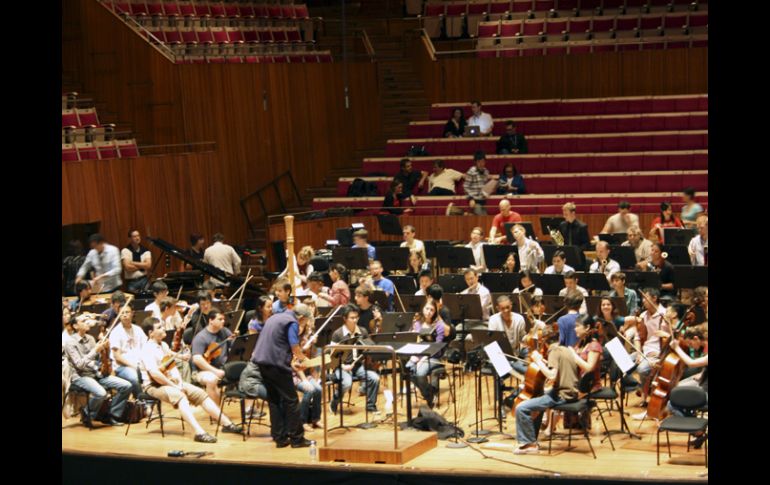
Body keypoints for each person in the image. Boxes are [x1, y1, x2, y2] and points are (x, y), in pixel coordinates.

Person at [141, 319, 242, 443]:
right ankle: (198, 432)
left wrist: (179, 382)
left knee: (201, 394)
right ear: (151, 333)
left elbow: (171, 365)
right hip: (153, 385)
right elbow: (155, 375)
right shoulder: (147, 349)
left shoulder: (163, 345)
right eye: (159, 327)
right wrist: (176, 386)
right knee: (180, 396)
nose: (163, 329)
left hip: (170, 382)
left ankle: (227, 424)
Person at [251, 303, 313, 448]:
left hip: (262, 363)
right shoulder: (292, 322)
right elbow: (294, 345)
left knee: (274, 400)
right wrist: (304, 360)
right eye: (305, 321)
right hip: (275, 365)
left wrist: (292, 363)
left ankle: (280, 438)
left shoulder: (275, 317)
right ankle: (297, 439)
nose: (304, 324)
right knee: (291, 400)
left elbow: (276, 343)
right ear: (302, 318)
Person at [513, 331, 579, 455]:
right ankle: (531, 439)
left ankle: (530, 445)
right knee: (537, 404)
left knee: (521, 408)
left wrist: (537, 361)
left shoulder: (553, 351)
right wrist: (543, 362)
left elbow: (552, 375)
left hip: (561, 395)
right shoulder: (566, 349)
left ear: (544, 341)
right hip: (571, 392)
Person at [64, 317, 133, 427]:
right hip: (80, 376)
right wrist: (95, 350)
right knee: (101, 393)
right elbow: (79, 365)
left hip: (95, 373)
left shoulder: (91, 338)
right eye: (83, 321)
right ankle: (87, 414)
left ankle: (112, 415)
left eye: (88, 320)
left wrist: (105, 349)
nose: (87, 322)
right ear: (75, 326)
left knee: (126, 385)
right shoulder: (70, 342)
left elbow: (96, 360)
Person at [328, 305, 380, 414]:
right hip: (341, 366)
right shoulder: (337, 334)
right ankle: (335, 401)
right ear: (344, 318)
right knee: (347, 383)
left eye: (356, 317)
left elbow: (369, 347)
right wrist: (343, 366)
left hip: (357, 366)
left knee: (374, 378)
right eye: (352, 318)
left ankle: (371, 406)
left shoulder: (362, 331)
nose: (355, 320)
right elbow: (332, 358)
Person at [627, 288, 670, 413]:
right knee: (623, 363)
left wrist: (660, 354)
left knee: (642, 369)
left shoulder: (665, 314)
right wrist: (639, 352)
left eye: (645, 298)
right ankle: (639, 387)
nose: (643, 301)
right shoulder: (643, 315)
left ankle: (647, 397)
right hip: (644, 350)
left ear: (654, 298)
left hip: (657, 352)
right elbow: (638, 337)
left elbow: (669, 338)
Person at [666, 337, 708, 448]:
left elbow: (691, 363)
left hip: (705, 395)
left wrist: (677, 348)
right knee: (679, 393)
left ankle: (697, 431)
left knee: (672, 404)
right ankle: (697, 429)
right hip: (703, 389)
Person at [407, 300, 446, 407]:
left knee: (420, 374)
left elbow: (437, 346)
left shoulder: (439, 325)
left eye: (432, 310)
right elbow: (413, 341)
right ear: (422, 309)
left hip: (434, 357)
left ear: (435, 312)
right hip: (418, 356)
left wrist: (423, 358)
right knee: (407, 369)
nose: (429, 312)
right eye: (427, 309)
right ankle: (430, 394)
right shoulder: (417, 324)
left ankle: (429, 395)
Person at [190, 309, 234, 403]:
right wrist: (215, 371)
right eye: (220, 319)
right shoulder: (201, 337)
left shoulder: (225, 331)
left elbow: (235, 345)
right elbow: (197, 359)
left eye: (224, 319)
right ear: (211, 320)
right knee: (211, 379)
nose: (223, 321)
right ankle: (216, 414)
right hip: (201, 371)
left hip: (223, 368)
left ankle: (248, 409)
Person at [109, 305, 148, 399]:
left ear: (132, 314)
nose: (125, 315)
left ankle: (149, 400)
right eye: (122, 313)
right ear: (118, 315)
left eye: (127, 312)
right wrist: (133, 366)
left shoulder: (138, 329)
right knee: (134, 378)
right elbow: (117, 357)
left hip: (139, 363)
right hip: (122, 367)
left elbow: (146, 348)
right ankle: (142, 403)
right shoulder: (116, 332)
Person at [488, 295, 528, 375]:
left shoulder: (519, 319)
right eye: (502, 308)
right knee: (524, 370)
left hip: (515, 351)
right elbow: (491, 342)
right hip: (500, 354)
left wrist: (531, 337)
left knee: (535, 354)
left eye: (508, 307)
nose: (506, 310)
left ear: (511, 305)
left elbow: (523, 337)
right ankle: (503, 379)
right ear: (498, 309)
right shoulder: (493, 320)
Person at [568, 315, 604, 394]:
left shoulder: (594, 345)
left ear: (587, 327)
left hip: (588, 386)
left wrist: (573, 355)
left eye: (577, 326)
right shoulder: (580, 343)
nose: (575, 329)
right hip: (578, 383)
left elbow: (589, 368)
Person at [464, 151, 498, 215]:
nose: (481, 164)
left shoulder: (486, 172)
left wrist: (492, 186)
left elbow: (486, 187)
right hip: (475, 201)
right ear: (476, 162)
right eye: (479, 162)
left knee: (484, 218)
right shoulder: (471, 171)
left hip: (483, 200)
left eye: (483, 161)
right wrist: (470, 199)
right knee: (481, 216)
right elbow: (466, 187)